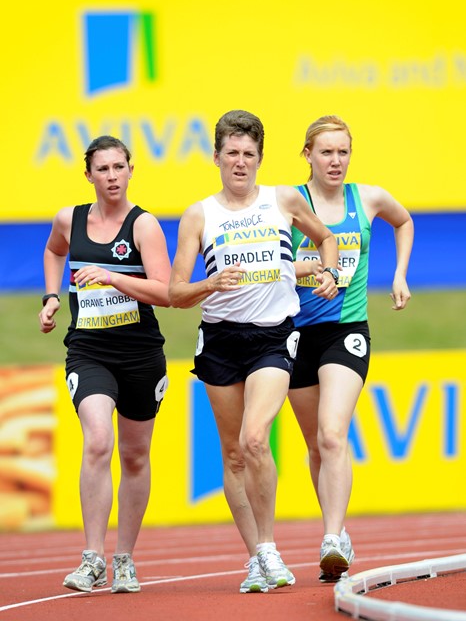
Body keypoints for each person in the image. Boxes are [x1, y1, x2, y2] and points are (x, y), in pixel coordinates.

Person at [168, 109, 339, 593]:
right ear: (216, 157)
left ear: (260, 159)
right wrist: (209, 283)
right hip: (220, 341)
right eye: (232, 154)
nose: (240, 163)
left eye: (249, 155)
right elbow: (175, 292)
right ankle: (258, 558)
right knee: (233, 454)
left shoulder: (283, 200)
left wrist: (328, 273)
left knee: (255, 438)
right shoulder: (199, 215)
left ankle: (267, 547)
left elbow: (326, 239)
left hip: (272, 335)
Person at [38, 135, 171, 594]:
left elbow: (165, 292)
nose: (112, 176)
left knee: (134, 455)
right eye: (103, 169)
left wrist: (113, 276)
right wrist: (52, 296)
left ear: (131, 170)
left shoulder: (144, 226)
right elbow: (55, 251)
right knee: (97, 440)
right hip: (89, 351)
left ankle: (125, 559)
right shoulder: (69, 220)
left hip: (140, 355)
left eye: (119, 167)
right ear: (89, 175)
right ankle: (92, 557)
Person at [288, 115, 414, 583]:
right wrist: (312, 270)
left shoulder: (369, 198)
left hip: (347, 330)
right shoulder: (289, 203)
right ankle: (337, 533)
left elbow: (403, 222)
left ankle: (332, 537)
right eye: (326, 152)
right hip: (297, 333)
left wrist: (399, 273)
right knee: (316, 447)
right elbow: (274, 259)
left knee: (333, 432)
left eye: (342, 151)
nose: (335, 161)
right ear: (308, 155)